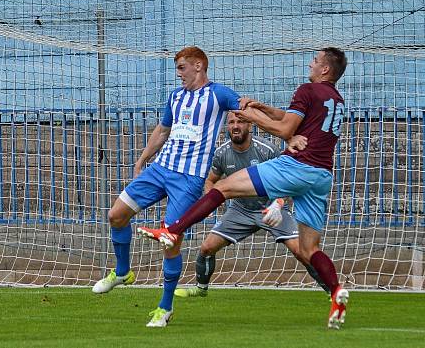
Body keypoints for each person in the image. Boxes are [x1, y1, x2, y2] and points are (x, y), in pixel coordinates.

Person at [147, 48, 350, 329]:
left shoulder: (307, 89)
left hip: (297, 167)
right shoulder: (337, 99)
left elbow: (284, 130)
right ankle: (337, 291)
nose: (311, 64)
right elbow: (289, 119)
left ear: (325, 69)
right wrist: (264, 109)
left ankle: (173, 230)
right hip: (322, 176)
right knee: (309, 248)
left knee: (225, 187)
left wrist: (248, 115)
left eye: (315, 61)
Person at [91, 46, 241, 328]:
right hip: (160, 169)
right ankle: (122, 271)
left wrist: (284, 129)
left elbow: (244, 108)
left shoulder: (218, 94)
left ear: (199, 66)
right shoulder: (175, 96)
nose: (178, 74)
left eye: (182, 68)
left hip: (189, 179)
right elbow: (162, 130)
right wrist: (143, 159)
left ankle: (165, 307)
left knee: (169, 238)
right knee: (116, 215)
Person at [172, 112, 328, 298]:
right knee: (207, 248)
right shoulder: (221, 153)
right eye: (231, 122)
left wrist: (278, 205)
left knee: (301, 251)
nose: (235, 126)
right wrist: (210, 200)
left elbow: (288, 180)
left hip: (272, 208)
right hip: (240, 210)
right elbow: (211, 180)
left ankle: (331, 290)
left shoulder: (267, 150)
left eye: (240, 121)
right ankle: (200, 288)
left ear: (250, 126)